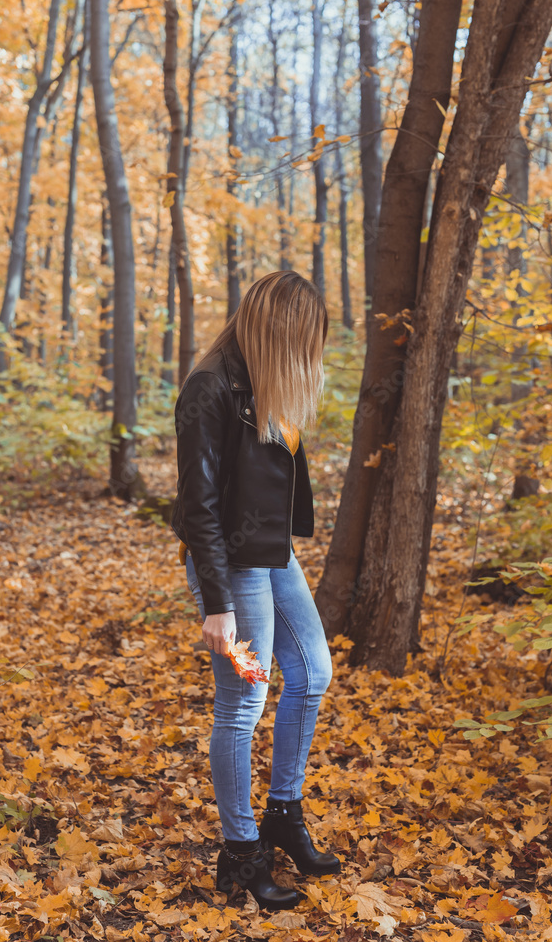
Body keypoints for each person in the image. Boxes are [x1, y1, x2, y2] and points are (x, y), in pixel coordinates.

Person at [170, 271, 341, 911]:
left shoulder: (265, 385)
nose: (309, 355)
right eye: (303, 339)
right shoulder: (209, 388)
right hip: (230, 565)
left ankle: (283, 815)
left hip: (272, 555)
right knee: (244, 700)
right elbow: (199, 508)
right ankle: (241, 852)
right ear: (278, 331)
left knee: (313, 672)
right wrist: (217, 604)